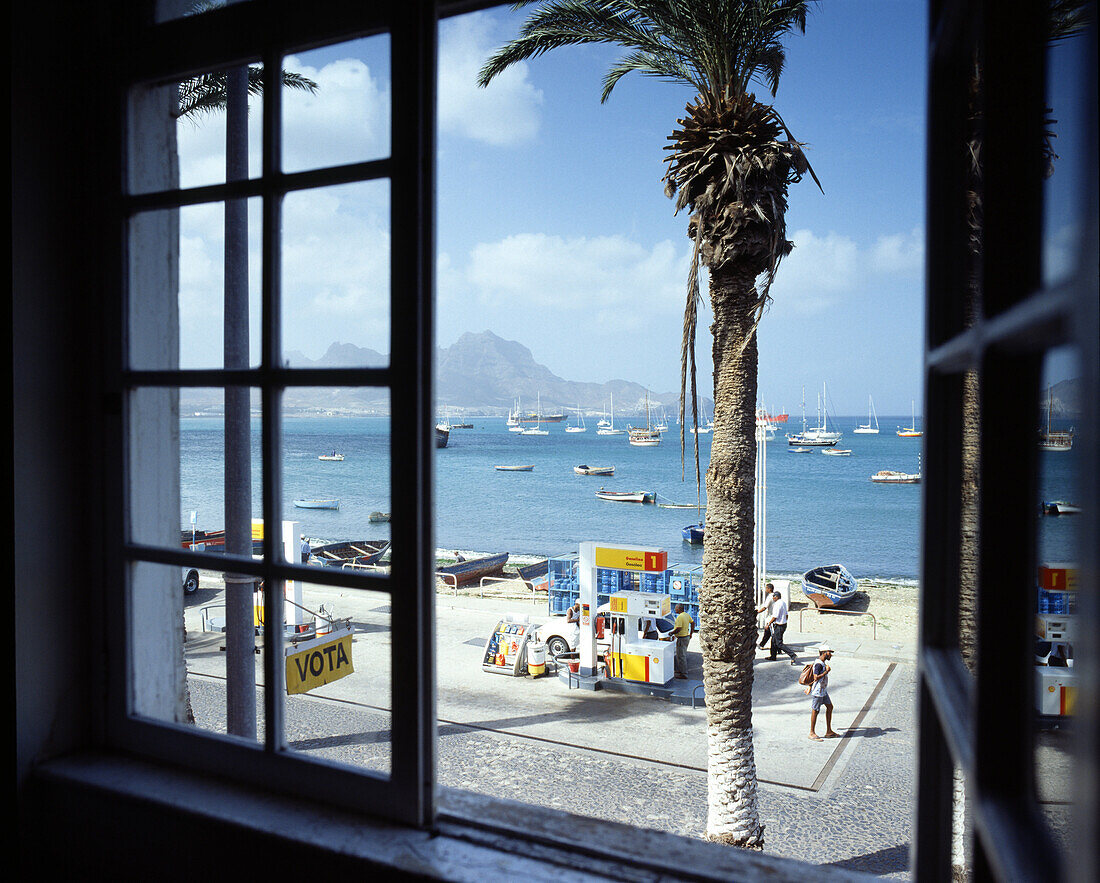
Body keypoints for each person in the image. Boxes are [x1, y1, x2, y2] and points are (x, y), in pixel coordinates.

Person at [808, 643, 841, 741]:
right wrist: (826, 672)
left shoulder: (821, 663)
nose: (830, 655)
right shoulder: (818, 664)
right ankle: (811, 732)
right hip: (818, 692)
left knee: (830, 707)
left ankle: (829, 731)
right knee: (815, 710)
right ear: (824, 653)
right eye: (829, 653)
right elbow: (815, 677)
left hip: (823, 691)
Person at [765, 589, 798, 664]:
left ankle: (792, 655)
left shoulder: (777, 604)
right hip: (783, 625)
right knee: (773, 641)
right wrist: (784, 621)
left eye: (774, 597)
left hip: (779, 626)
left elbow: (774, 616)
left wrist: (768, 624)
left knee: (778, 643)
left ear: (776, 597)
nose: (773, 598)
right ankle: (773, 656)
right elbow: (786, 615)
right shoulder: (783, 603)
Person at [672, 604, 694, 679]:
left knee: (681, 656)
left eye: (676, 608)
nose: (675, 609)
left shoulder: (680, 617)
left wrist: (672, 633)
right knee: (681, 655)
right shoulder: (686, 615)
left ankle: (684, 674)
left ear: (679, 609)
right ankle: (680, 670)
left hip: (682, 638)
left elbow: (679, 628)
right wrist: (691, 633)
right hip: (686, 637)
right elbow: (692, 622)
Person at [755, 583, 776, 651]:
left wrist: (758, 612)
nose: (765, 589)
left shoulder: (770, 596)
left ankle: (762, 644)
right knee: (769, 632)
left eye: (766, 588)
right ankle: (762, 644)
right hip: (773, 616)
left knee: (768, 631)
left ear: (769, 589)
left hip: (770, 617)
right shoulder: (775, 596)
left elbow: (765, 607)